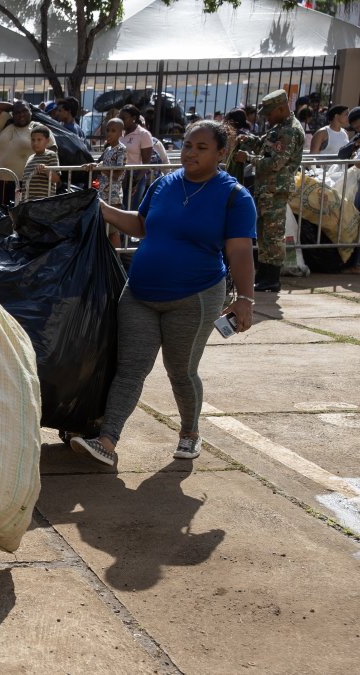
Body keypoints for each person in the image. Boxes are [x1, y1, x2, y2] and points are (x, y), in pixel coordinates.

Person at [70, 121, 256, 468]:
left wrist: (245, 299)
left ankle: (190, 433)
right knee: (130, 369)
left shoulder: (234, 196)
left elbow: (240, 250)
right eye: (187, 145)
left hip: (195, 297)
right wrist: (102, 209)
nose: (190, 153)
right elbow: (141, 225)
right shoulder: (164, 184)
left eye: (201, 148)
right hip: (140, 293)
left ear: (221, 153)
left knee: (181, 371)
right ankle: (107, 441)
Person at [233, 90, 302, 293]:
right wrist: (247, 139)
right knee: (264, 235)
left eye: (270, 113)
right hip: (267, 190)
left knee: (273, 236)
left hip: (275, 190)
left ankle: (272, 279)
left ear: (281, 109)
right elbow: (263, 146)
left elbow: (274, 163)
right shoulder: (279, 127)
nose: (267, 118)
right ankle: (263, 276)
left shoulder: (290, 131)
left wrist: (248, 158)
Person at [0, 100, 45, 206]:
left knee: (24, 213)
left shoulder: (38, 128)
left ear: (31, 112)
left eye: (24, 111)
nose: (21, 115)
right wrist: (15, 106)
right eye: (17, 113)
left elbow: (51, 151)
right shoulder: (6, 124)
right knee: (5, 213)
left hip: (27, 182)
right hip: (3, 182)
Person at [84, 118, 128, 246]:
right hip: (103, 194)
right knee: (104, 229)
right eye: (107, 130)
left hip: (113, 196)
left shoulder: (121, 149)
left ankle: (116, 257)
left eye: (113, 131)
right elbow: (103, 163)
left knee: (113, 231)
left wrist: (101, 169)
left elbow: (118, 172)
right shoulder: (108, 149)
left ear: (121, 133)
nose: (109, 133)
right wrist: (94, 165)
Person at [119, 104, 155, 208]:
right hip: (119, 176)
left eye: (124, 118)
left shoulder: (143, 134)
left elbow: (146, 162)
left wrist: (135, 182)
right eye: (119, 118)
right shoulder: (119, 132)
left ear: (134, 118)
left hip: (135, 176)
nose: (121, 121)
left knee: (130, 209)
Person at [19, 127, 60, 201]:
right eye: (33, 140)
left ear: (47, 141)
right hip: (28, 202)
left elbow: (56, 179)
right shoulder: (30, 158)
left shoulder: (51, 155)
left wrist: (46, 169)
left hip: (43, 203)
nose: (35, 143)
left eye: (39, 140)